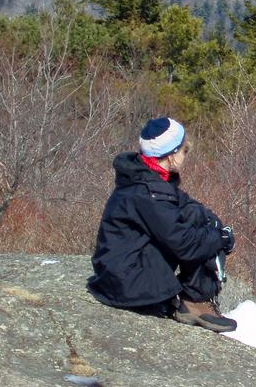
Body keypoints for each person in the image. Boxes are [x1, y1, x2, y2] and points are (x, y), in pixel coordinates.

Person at [88, 117, 238, 332]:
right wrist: (221, 238)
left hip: (118, 276)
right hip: (126, 285)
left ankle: (192, 300)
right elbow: (185, 244)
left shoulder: (147, 179)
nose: (186, 155)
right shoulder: (148, 192)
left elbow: (186, 205)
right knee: (203, 240)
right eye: (184, 151)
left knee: (203, 225)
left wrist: (212, 221)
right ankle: (195, 300)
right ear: (171, 156)